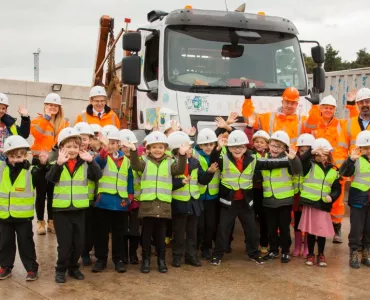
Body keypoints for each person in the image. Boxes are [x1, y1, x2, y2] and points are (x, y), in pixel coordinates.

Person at [209, 130, 296, 266]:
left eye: (241, 147)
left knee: (251, 230)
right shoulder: (223, 157)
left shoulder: (253, 158)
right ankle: (217, 255)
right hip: (228, 202)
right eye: (234, 147)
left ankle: (254, 254)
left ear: (246, 147)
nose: (237, 150)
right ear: (229, 147)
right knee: (223, 229)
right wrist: (218, 147)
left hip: (245, 201)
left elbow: (270, 164)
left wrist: (291, 159)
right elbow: (212, 159)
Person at [122, 131, 190, 274]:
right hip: (148, 204)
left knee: (161, 235)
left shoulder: (171, 161)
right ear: (148, 149)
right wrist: (134, 151)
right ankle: (145, 260)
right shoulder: (144, 161)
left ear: (165, 148)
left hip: (163, 204)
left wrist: (182, 155)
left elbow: (180, 169)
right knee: (146, 234)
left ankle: (161, 260)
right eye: (154, 147)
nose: (157, 150)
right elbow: (135, 166)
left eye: (160, 147)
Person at [45, 127, 102, 283]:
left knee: (78, 243)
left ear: (80, 148)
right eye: (68, 147)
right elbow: (50, 178)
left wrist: (92, 162)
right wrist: (58, 164)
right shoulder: (57, 162)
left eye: (75, 147)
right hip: (62, 210)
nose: (72, 150)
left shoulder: (85, 163)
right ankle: (60, 269)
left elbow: (98, 176)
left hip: (79, 209)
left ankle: (73, 268)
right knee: (64, 245)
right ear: (61, 148)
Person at [305, 94, 353, 243]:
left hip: (337, 170)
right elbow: (308, 127)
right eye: (325, 107)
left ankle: (336, 227)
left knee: (337, 200)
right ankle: (316, 228)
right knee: (316, 197)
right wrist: (313, 107)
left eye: (331, 108)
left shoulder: (342, 124)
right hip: (317, 170)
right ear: (321, 109)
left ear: (334, 110)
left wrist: (351, 105)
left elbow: (355, 124)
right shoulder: (314, 123)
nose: (328, 110)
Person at [0, 136, 39, 281]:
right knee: (4, 242)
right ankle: (5, 266)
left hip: (23, 216)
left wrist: (41, 164)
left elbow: (42, 176)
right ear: (6, 155)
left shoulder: (30, 170)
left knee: (26, 242)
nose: (16, 160)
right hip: (4, 214)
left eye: (19, 156)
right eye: (12, 156)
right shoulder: (1, 168)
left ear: (25, 155)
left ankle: (31, 268)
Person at [92, 125, 130, 273]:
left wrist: (130, 196)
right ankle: (101, 259)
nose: (111, 146)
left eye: (113, 143)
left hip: (120, 202)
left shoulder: (125, 160)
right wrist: (104, 149)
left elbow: (130, 179)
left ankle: (118, 259)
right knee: (101, 232)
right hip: (104, 202)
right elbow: (99, 163)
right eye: (108, 143)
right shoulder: (101, 157)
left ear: (119, 144)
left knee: (119, 233)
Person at [298, 138, 341, 267]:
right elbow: (301, 161)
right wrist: (311, 150)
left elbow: (337, 188)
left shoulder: (334, 170)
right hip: (311, 203)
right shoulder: (308, 166)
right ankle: (310, 254)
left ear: (329, 155)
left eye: (324, 154)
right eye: (318, 154)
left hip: (323, 205)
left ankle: (321, 254)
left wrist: (332, 197)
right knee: (310, 231)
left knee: (321, 231)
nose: (321, 157)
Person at [169, 131, 209, 268]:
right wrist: (181, 183)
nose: (191, 150)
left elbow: (202, 179)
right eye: (188, 148)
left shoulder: (195, 162)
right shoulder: (171, 163)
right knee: (179, 232)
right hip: (179, 203)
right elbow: (168, 185)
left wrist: (209, 173)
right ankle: (177, 256)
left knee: (193, 232)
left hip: (194, 202)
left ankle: (191, 256)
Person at [261, 131, 302, 263]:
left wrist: (293, 159)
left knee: (284, 228)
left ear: (285, 148)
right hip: (268, 199)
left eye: (278, 146)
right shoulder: (264, 159)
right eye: (273, 145)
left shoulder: (288, 160)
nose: (274, 149)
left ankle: (285, 251)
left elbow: (297, 170)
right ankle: (273, 250)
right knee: (271, 227)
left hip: (284, 200)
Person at [31, 93, 68, 235]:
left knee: (53, 193)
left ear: (59, 108)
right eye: (50, 105)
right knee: (40, 193)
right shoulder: (37, 120)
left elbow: (62, 141)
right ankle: (40, 222)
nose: (53, 107)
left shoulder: (64, 123)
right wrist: (46, 118)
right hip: (39, 162)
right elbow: (36, 134)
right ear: (45, 106)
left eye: (55, 106)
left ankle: (51, 221)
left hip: (55, 161)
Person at [241, 86, 316, 144]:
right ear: (282, 102)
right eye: (287, 102)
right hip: (272, 156)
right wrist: (248, 99)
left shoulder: (302, 119)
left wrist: (315, 106)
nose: (289, 106)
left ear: (297, 104)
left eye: (292, 103)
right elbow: (249, 119)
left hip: (293, 158)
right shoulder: (269, 117)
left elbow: (314, 125)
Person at [339, 130, 370, 269]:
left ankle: (366, 253)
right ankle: (353, 253)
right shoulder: (355, 159)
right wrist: (350, 160)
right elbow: (343, 172)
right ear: (360, 148)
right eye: (366, 148)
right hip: (359, 198)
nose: (369, 151)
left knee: (369, 229)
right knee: (357, 229)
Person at [193, 128, 220, 259]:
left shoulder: (220, 154)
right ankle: (195, 247)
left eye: (211, 144)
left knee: (210, 225)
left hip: (212, 196)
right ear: (200, 145)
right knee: (199, 225)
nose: (208, 147)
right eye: (205, 144)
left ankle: (206, 248)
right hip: (198, 195)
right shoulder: (195, 154)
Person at [74, 122, 96, 266]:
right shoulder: (70, 155)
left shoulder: (94, 156)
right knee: (78, 230)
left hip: (90, 199)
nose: (83, 141)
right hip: (75, 200)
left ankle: (86, 250)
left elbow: (97, 175)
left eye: (85, 138)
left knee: (90, 230)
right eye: (80, 138)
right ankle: (80, 252)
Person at [291, 133, 315, 257]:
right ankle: (297, 246)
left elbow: (304, 165)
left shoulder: (312, 163)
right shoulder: (295, 159)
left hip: (309, 196)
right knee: (298, 221)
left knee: (308, 222)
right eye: (301, 150)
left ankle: (307, 247)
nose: (303, 152)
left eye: (307, 150)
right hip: (297, 195)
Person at [120, 129, 141, 265]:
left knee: (135, 231)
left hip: (137, 200)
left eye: (130, 145)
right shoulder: (117, 160)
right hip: (121, 199)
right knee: (122, 230)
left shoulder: (139, 160)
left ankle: (133, 254)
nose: (127, 148)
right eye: (124, 145)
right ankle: (123, 256)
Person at [250, 130, 270, 254]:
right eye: (256, 142)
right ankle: (252, 244)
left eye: (262, 142)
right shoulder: (249, 154)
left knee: (264, 219)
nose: (259, 144)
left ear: (267, 145)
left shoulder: (270, 155)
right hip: (252, 191)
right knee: (252, 219)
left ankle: (264, 243)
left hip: (266, 191)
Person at [0, 93, 30, 161]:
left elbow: (24, 134)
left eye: (3, 108)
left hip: (8, 161)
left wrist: (25, 117)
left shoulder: (10, 123)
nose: (1, 110)